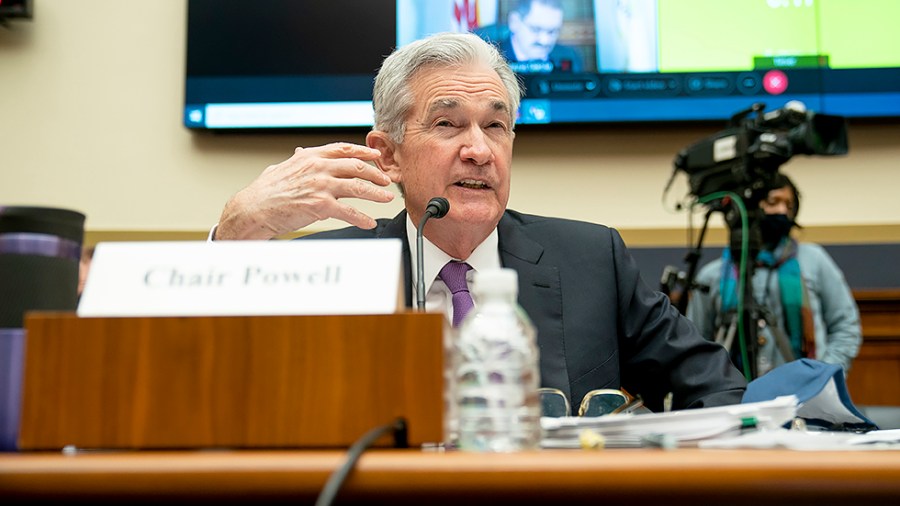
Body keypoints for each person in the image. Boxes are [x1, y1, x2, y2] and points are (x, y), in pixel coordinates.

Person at [213, 32, 745, 413]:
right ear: (388, 154)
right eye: (447, 124)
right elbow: (208, 382)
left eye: (496, 125)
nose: (479, 150)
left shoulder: (590, 259)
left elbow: (722, 391)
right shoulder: (330, 271)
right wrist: (234, 233)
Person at [687, 174, 862, 377]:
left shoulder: (814, 260)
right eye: (773, 202)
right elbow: (697, 342)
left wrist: (824, 376)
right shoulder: (712, 275)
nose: (781, 211)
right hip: (734, 398)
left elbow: (846, 325)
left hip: (805, 395)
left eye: (788, 205)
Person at [494, 0, 582, 72]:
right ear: (514, 22)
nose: (545, 41)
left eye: (552, 31)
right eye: (536, 29)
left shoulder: (569, 56)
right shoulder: (490, 58)